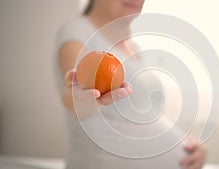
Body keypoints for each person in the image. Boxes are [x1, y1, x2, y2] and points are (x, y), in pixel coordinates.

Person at [54, 0, 206, 168]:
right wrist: (83, 99)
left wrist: (187, 145)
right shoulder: (78, 31)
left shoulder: (133, 46)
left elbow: (146, 116)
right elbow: (74, 96)